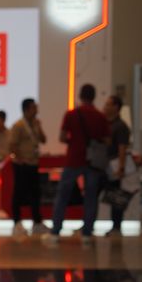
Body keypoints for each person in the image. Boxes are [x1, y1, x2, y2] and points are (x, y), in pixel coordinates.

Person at [44, 84, 110, 246]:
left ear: (80, 96)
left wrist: (74, 142)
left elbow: (62, 137)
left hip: (73, 159)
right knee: (91, 198)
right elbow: (107, 140)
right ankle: (87, 233)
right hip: (93, 163)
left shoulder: (71, 114)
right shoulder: (100, 116)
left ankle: (55, 232)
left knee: (62, 196)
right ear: (94, 96)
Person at [9, 98, 49, 237]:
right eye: (34, 108)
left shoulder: (36, 124)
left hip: (33, 163)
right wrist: (21, 159)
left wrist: (39, 127)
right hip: (22, 164)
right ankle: (17, 222)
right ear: (26, 110)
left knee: (35, 193)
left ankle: (37, 222)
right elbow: (12, 145)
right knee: (18, 193)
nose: (36, 110)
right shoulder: (18, 125)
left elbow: (43, 140)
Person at [102, 95, 131, 237]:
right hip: (102, 165)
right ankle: (89, 223)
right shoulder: (105, 124)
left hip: (113, 167)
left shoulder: (121, 126)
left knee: (115, 197)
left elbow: (122, 147)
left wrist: (121, 167)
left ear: (116, 107)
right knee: (94, 194)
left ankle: (116, 226)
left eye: (108, 104)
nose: (105, 107)